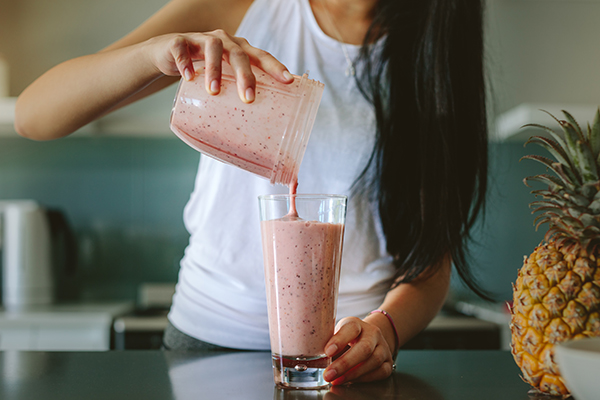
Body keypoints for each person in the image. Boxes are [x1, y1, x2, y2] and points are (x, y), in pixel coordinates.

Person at [14, 0, 489, 385]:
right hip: (205, 346)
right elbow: (35, 116)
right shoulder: (244, 11)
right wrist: (155, 54)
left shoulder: (435, 55)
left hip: (343, 363)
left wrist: (385, 329)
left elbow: (431, 262)